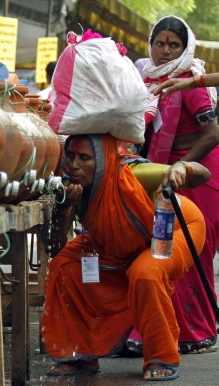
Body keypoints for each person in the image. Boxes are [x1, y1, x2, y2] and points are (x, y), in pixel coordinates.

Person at [42, 134, 210, 380]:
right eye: (71, 156)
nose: (75, 164)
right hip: (118, 243)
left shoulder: (135, 173)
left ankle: (161, 356)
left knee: (145, 272)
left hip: (175, 228)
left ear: (101, 159)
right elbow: (54, 248)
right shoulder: (69, 186)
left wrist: (180, 167)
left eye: (84, 158)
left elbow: (203, 174)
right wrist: (66, 207)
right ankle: (81, 355)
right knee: (64, 265)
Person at [128, 15, 219, 356]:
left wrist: (181, 165)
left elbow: (212, 135)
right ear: (150, 45)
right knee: (161, 249)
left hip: (198, 172)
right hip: (163, 173)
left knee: (193, 253)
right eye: (160, 43)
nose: (165, 51)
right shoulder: (143, 81)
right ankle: (160, 330)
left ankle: (198, 333)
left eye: (174, 45)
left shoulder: (189, 79)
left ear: (186, 48)